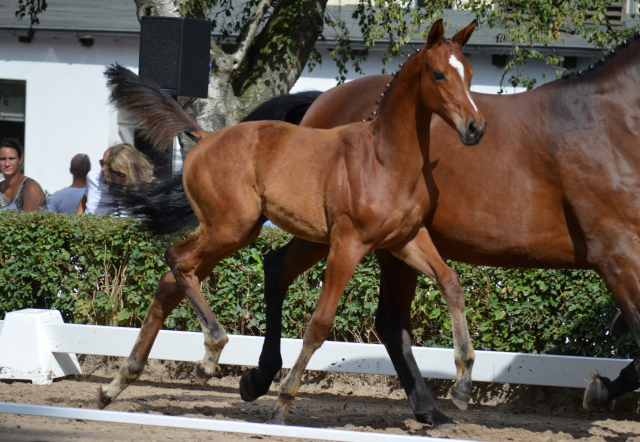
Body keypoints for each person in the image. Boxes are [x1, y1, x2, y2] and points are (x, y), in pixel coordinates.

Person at [0, 138, 47, 211]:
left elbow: (26, 221)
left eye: (12, 159)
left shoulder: (31, 187)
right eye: (3, 159)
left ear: (20, 160)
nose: (7, 164)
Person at [77, 147, 114, 215]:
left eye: (108, 165)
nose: (103, 169)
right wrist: (77, 222)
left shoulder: (129, 185)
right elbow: (84, 199)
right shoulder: (93, 176)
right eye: (102, 163)